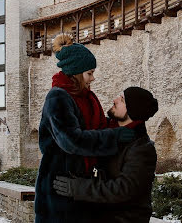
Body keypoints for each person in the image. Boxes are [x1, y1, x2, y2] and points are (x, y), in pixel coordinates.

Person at [35, 33, 136, 223]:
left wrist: (128, 123)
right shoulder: (57, 97)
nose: (93, 78)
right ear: (76, 72)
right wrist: (115, 137)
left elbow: (101, 126)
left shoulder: (88, 98)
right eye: (89, 73)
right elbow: (71, 140)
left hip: (83, 185)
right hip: (60, 188)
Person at [54, 86, 159, 223]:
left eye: (121, 100)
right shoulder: (108, 134)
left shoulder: (142, 149)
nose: (115, 99)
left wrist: (78, 188)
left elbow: (123, 189)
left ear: (133, 111)